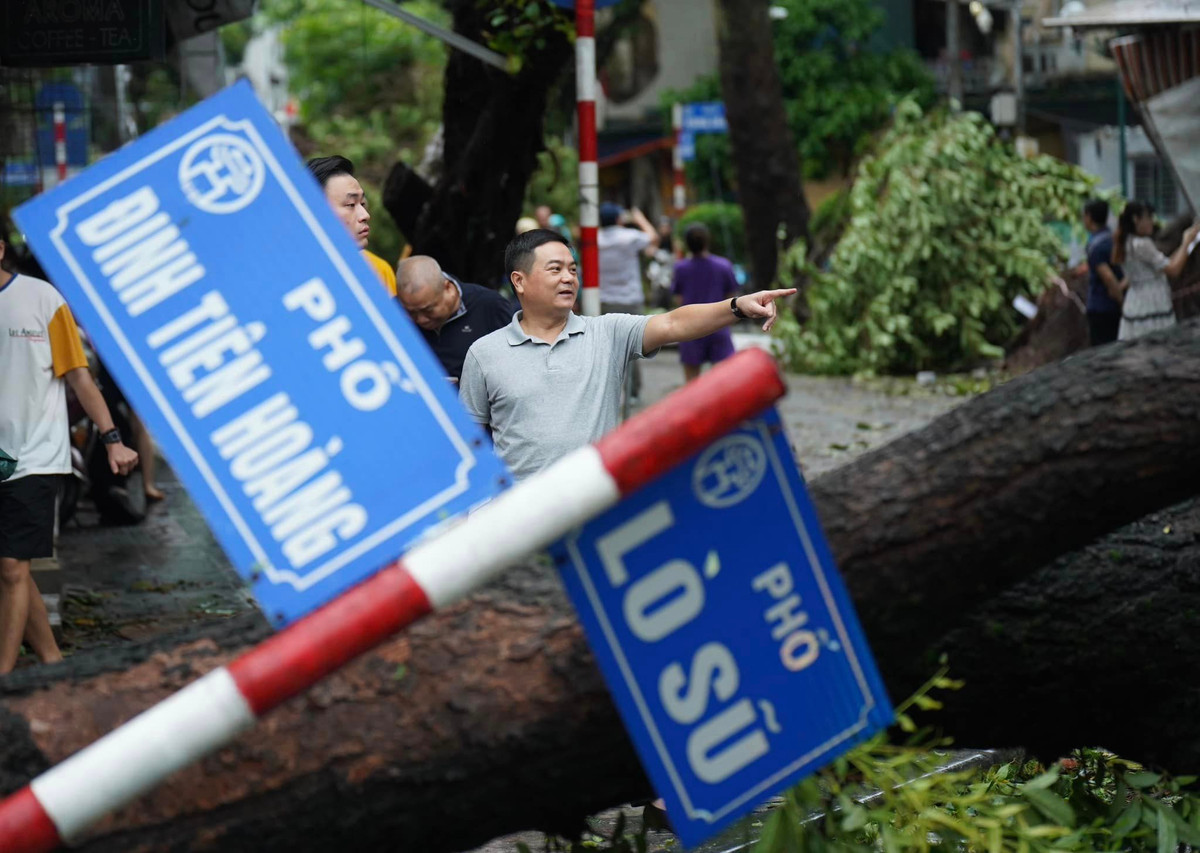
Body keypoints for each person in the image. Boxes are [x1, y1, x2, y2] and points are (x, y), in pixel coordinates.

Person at [459, 229, 793, 481]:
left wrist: (736, 307)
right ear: (520, 280)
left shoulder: (607, 333)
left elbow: (674, 323)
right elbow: (467, 444)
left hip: (595, 504)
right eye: (555, 269)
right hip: (520, 514)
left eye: (573, 270)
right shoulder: (484, 354)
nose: (568, 278)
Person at [0, 238, 139, 674]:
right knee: (10, 567)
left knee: (10, 566)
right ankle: (53, 662)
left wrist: (113, 438)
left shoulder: (41, 298)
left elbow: (79, 377)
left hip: (33, 455)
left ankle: (4, 680)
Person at [396, 255, 515, 382]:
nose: (421, 319)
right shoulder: (393, 314)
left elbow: (514, 364)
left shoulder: (490, 306)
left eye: (428, 310)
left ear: (448, 288)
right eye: (410, 312)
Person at [306, 156, 398, 297]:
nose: (365, 215)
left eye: (362, 203)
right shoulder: (296, 279)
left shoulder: (377, 270)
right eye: (350, 205)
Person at [597, 203, 659, 403]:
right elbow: (653, 237)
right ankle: (633, 392)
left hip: (604, 300)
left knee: (607, 348)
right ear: (618, 219)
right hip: (630, 299)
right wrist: (639, 217)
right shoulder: (629, 237)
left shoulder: (596, 239)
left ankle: (611, 392)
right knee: (634, 346)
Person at [1111, 201, 1200, 341]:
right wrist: (1186, 242)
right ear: (1136, 219)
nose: (1152, 222)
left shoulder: (1127, 242)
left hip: (1135, 302)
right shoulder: (1142, 244)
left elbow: (1165, 264)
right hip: (1152, 303)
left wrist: (1187, 243)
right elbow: (1174, 270)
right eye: (1148, 217)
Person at [672, 223, 740, 382]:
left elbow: (679, 299)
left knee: (692, 382)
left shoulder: (681, 268)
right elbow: (732, 296)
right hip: (719, 325)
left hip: (690, 328)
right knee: (723, 380)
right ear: (707, 241)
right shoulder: (723, 265)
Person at [1081, 199, 1124, 347]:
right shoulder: (1111, 239)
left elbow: (1108, 278)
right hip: (1112, 307)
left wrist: (1122, 301)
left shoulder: (1096, 247)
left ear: (1089, 217)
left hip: (1102, 308)